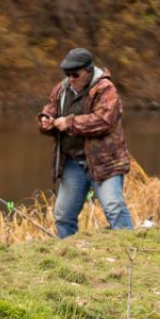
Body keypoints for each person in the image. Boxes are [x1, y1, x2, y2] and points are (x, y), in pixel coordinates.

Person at [38, 47, 133, 237]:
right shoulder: (61, 89)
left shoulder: (106, 89)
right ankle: (68, 252)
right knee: (63, 215)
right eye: (67, 73)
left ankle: (128, 248)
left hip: (105, 162)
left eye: (75, 73)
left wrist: (69, 123)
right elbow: (50, 109)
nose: (70, 77)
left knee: (114, 208)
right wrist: (46, 120)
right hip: (72, 162)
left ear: (89, 70)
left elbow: (105, 121)